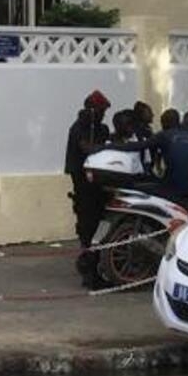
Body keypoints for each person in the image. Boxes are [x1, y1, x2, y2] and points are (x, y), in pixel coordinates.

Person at [65, 90, 111, 285]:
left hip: (99, 185)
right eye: (101, 111)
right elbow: (86, 148)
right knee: (88, 225)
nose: (103, 115)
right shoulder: (79, 128)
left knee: (100, 225)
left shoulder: (100, 128)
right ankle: (89, 271)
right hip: (84, 184)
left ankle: (96, 264)